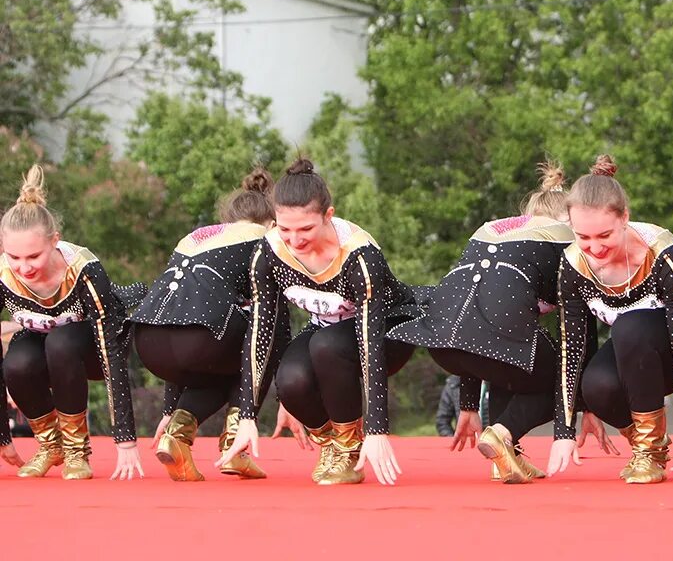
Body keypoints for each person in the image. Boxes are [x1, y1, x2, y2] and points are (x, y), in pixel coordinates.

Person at [390, 160, 615, 483]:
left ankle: (506, 457)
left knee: (508, 356)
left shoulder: (498, 231)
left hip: (440, 340)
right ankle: (503, 433)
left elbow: (469, 324)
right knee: (561, 374)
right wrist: (587, 402)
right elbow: (579, 334)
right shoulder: (565, 243)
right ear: (569, 220)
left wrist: (468, 405)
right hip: (484, 331)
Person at [218, 158, 421, 485]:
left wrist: (377, 429)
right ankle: (334, 444)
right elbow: (261, 331)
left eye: (306, 229)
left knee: (326, 346)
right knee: (291, 380)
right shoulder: (269, 253)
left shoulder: (358, 255)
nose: (295, 240)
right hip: (326, 331)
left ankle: (350, 447)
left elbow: (369, 341)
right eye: (285, 229)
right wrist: (246, 416)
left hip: (388, 331)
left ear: (328, 215)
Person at [547, 155, 673, 485]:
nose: (594, 248)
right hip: (638, 356)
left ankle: (649, 450)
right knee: (596, 386)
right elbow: (572, 348)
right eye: (583, 237)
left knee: (629, 326)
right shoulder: (573, 266)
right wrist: (562, 431)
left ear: (625, 217)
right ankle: (651, 446)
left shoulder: (664, 255)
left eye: (604, 235)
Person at [131, 168, 294, 481]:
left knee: (220, 366)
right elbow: (274, 322)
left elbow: (176, 315)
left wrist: (169, 407)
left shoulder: (199, 235)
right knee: (258, 335)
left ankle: (176, 435)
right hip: (200, 338)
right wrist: (285, 397)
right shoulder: (267, 239)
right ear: (273, 222)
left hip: (148, 342)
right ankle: (235, 443)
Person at [0, 164, 144, 480]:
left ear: (55, 240)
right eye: (14, 257)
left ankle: (77, 450)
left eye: (33, 256)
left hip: (95, 349)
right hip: (44, 345)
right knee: (17, 362)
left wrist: (125, 438)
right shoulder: (3, 276)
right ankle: (51, 445)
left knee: (60, 342)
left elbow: (110, 351)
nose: (24, 268)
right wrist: (3, 435)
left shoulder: (83, 269)